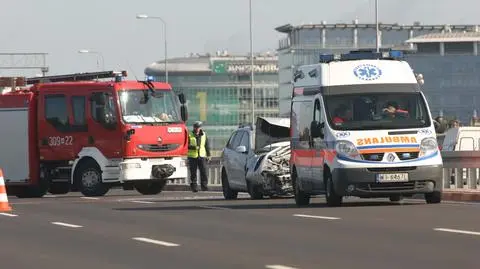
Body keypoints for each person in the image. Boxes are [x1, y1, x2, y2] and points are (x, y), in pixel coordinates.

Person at [187, 121, 211, 192]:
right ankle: (194, 187)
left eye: (198, 127)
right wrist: (193, 148)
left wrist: (208, 155)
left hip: (202, 156)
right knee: (193, 173)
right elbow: (186, 146)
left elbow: (207, 145)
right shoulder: (190, 135)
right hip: (192, 157)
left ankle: (204, 186)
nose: (197, 129)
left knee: (203, 172)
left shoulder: (204, 135)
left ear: (200, 128)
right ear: (194, 127)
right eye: (196, 127)